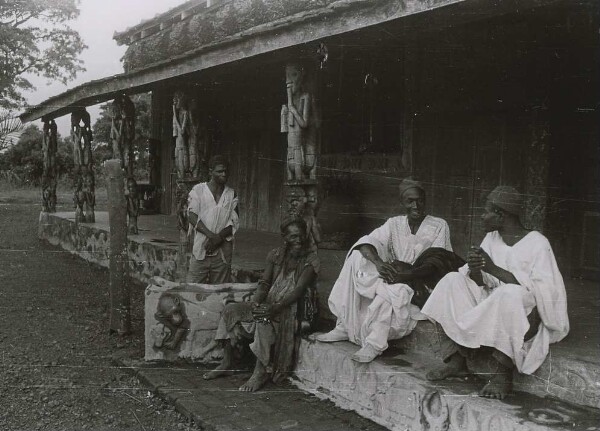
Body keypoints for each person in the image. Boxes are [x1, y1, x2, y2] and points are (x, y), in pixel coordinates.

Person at [421, 186, 569, 399]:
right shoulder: (491, 239)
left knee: (509, 294)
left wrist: (492, 268)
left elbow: (545, 293)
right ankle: (456, 360)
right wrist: (475, 269)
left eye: (486, 211)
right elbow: (479, 282)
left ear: (501, 214)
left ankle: (502, 375)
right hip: (491, 307)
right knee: (452, 280)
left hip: (524, 317)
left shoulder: (538, 243)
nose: (482, 216)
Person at [316, 179, 456, 363]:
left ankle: (374, 344)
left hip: (421, 281)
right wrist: (379, 263)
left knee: (392, 290)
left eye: (420, 200)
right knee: (357, 258)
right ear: (402, 202)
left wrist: (406, 275)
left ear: (425, 200)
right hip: (394, 273)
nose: (416, 205)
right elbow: (367, 242)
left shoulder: (438, 225)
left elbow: (437, 262)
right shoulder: (394, 223)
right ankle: (344, 325)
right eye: (410, 201)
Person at [203, 216, 319, 392]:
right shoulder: (276, 255)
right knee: (230, 310)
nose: (298, 240)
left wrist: (273, 309)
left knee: (263, 321)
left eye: (301, 235)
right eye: (293, 236)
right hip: (270, 304)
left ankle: (260, 371)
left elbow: (298, 291)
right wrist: (255, 302)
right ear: (284, 237)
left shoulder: (311, 260)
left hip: (292, 310)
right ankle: (227, 363)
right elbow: (264, 284)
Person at [186, 155, 239, 284]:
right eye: (220, 171)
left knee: (220, 292)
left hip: (222, 252)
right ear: (211, 172)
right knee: (193, 289)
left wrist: (218, 238)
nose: (224, 174)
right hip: (201, 248)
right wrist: (211, 236)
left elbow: (234, 222)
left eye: (226, 171)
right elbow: (191, 215)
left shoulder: (231, 194)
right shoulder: (198, 190)